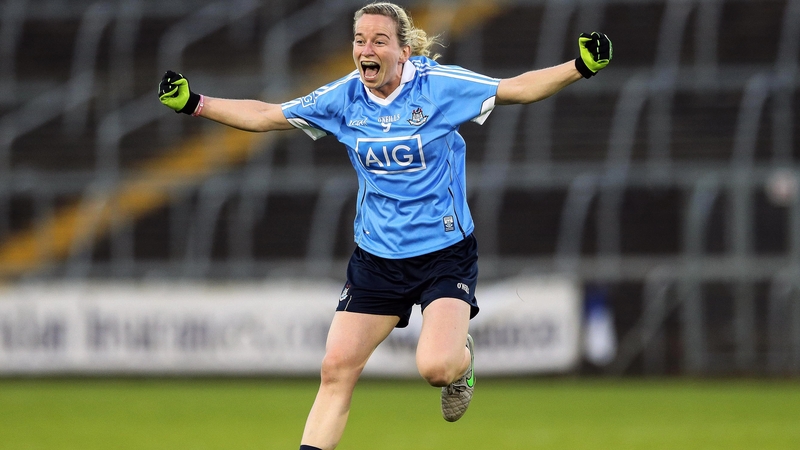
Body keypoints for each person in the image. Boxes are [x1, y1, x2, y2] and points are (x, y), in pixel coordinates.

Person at [158, 2, 612, 449]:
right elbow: (266, 116)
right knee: (336, 369)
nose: (366, 49)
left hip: (443, 255)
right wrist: (196, 103)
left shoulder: (438, 87)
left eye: (379, 40)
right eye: (360, 40)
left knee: (436, 368)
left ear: (403, 51)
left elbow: (518, 89)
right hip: (376, 260)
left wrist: (580, 66)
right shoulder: (343, 98)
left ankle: (462, 360)